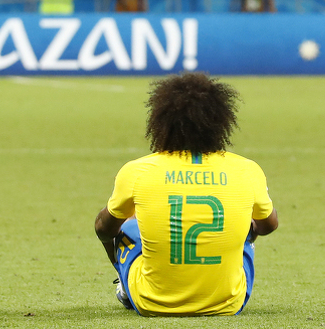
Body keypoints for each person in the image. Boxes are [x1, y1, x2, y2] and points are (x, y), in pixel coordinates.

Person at [94, 73, 279, 316]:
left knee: (127, 223)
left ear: (161, 121)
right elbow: (268, 226)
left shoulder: (137, 171)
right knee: (245, 223)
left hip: (151, 303)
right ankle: (219, 284)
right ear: (221, 121)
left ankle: (126, 287)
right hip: (229, 305)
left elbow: (103, 229)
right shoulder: (247, 170)